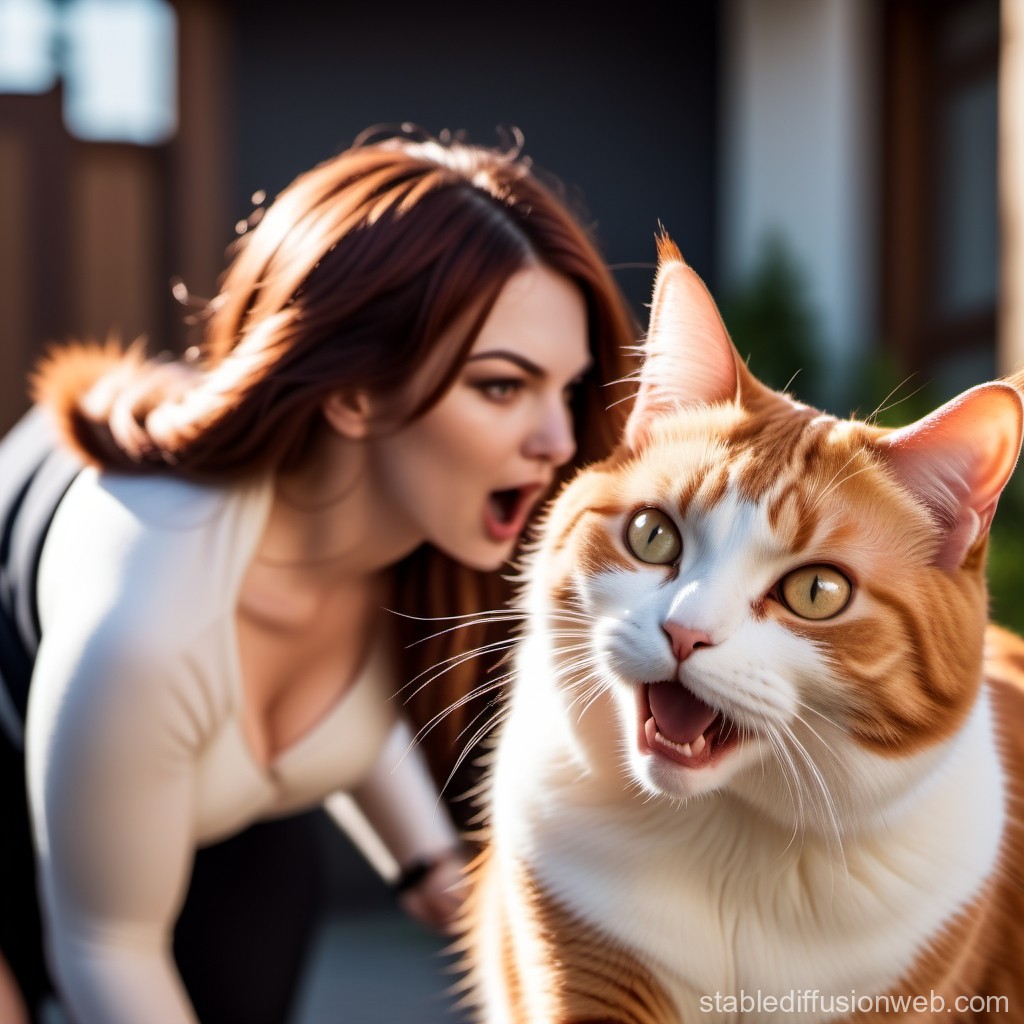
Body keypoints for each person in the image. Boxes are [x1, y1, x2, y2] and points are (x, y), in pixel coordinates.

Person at [0, 126, 637, 1024]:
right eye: (501, 386)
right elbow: (104, 947)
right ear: (350, 392)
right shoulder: (147, 626)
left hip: (234, 833)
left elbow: (342, 705)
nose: (559, 443)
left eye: (567, 391)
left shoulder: (425, 536)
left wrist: (424, 861)